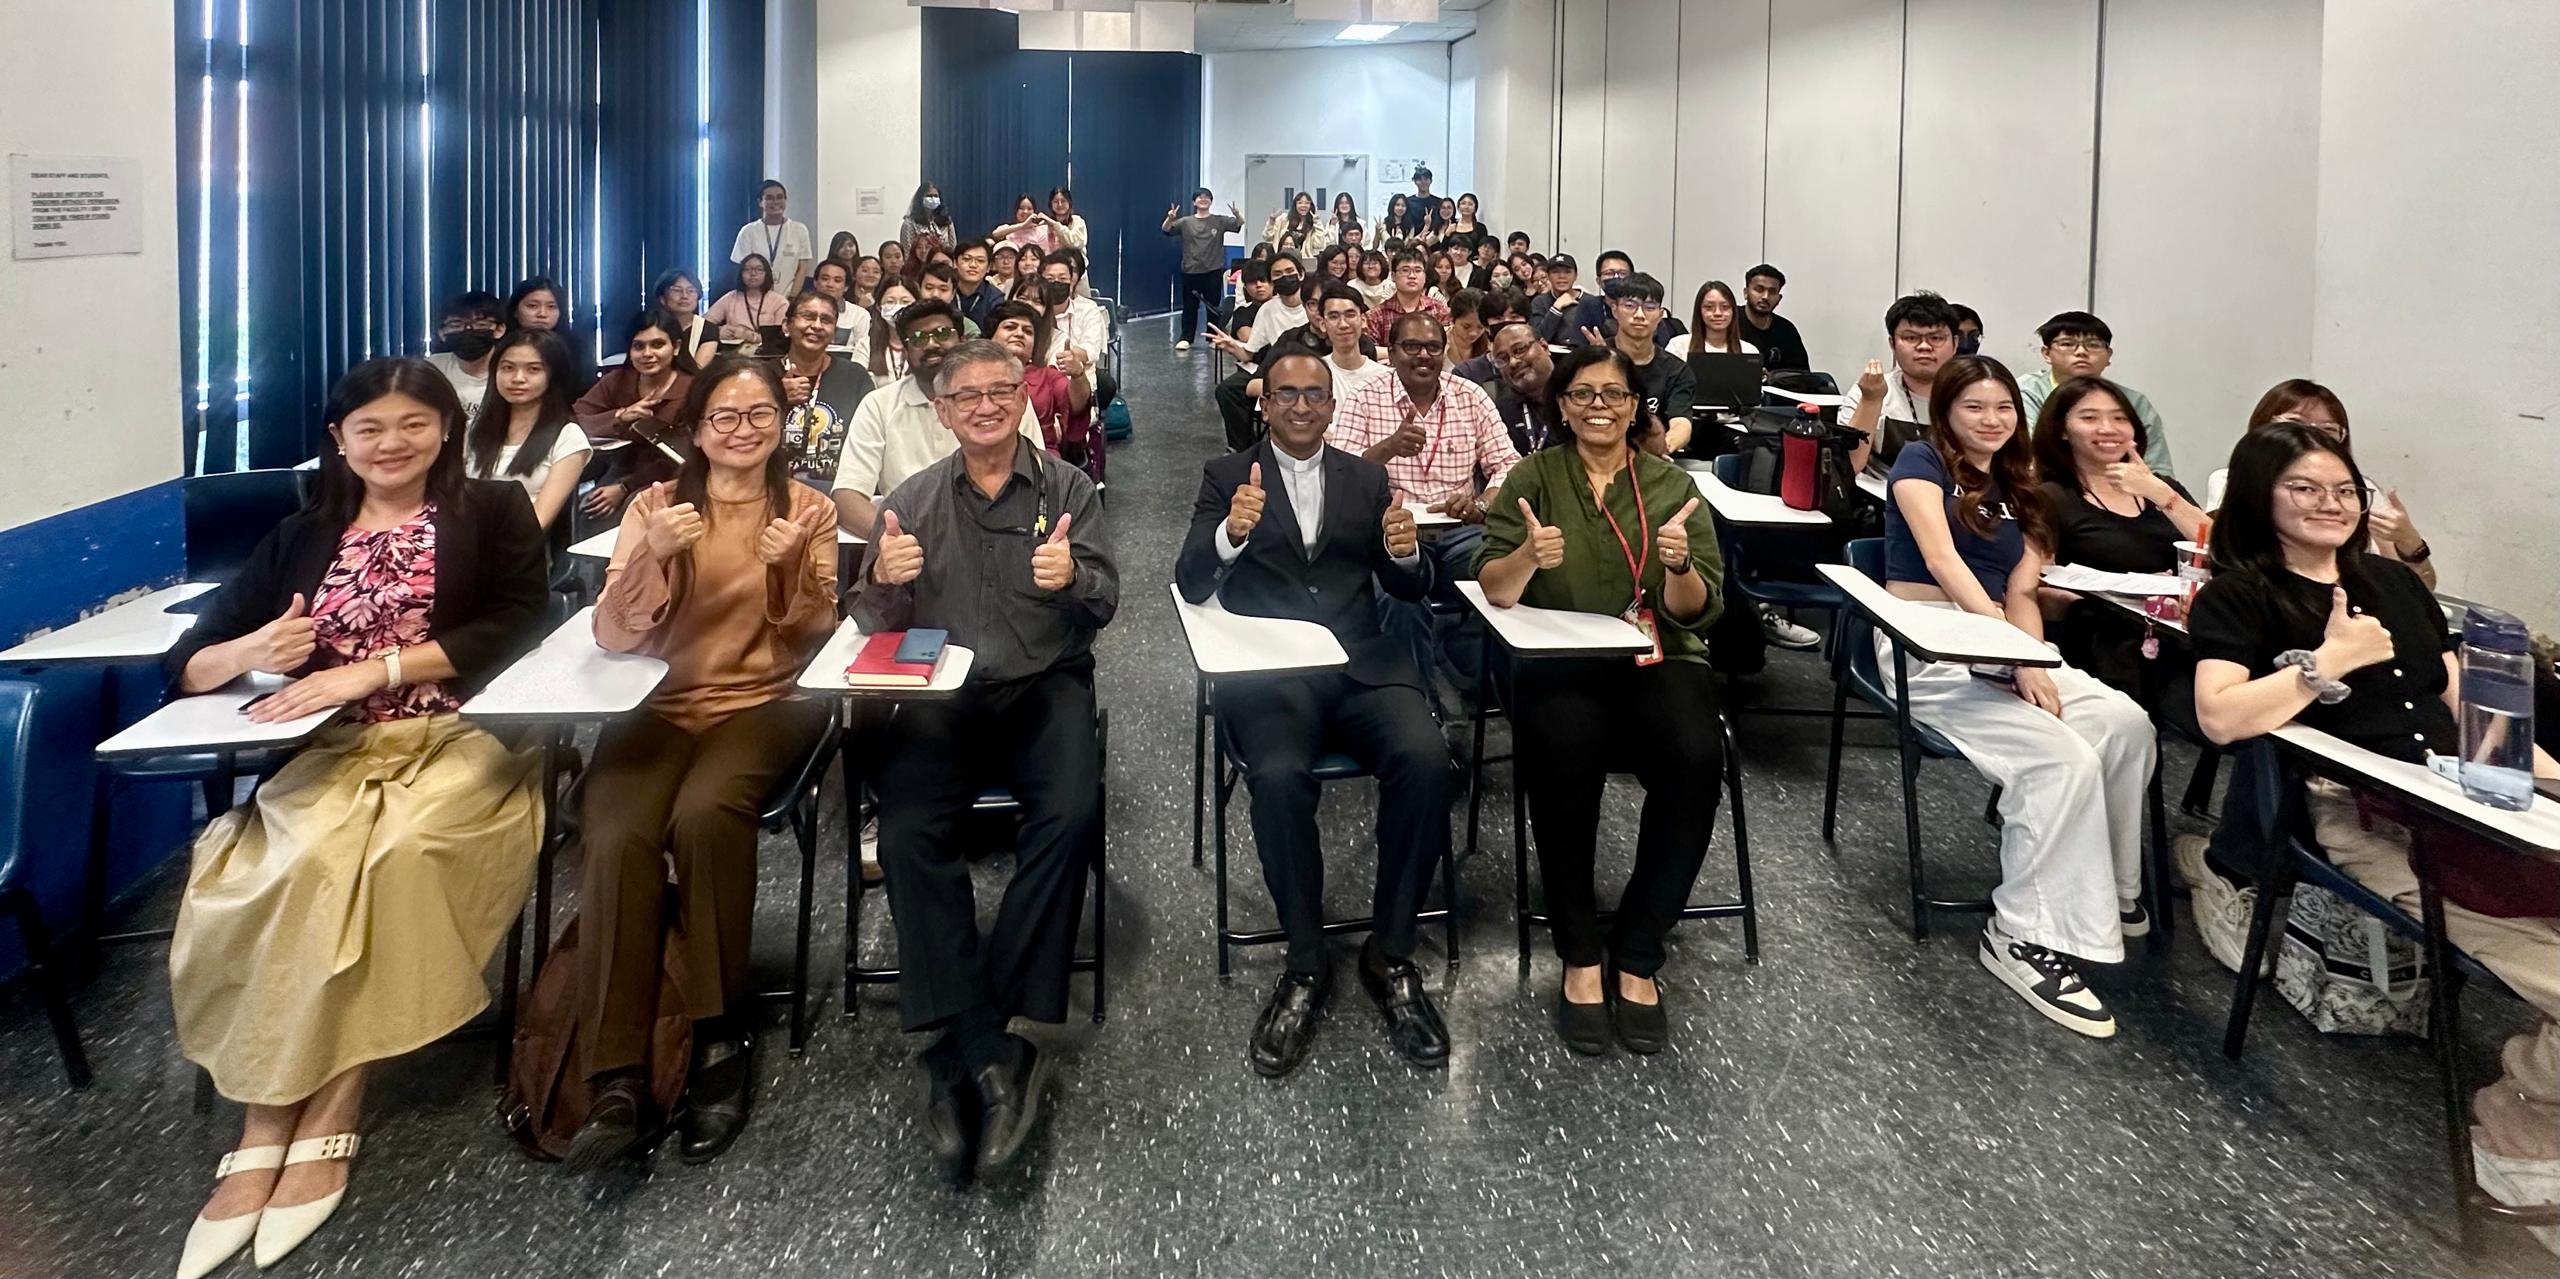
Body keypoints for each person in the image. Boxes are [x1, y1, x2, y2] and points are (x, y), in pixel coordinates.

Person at [164, 359, 546, 1277]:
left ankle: (333, 1104)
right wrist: (252, 649)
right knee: (292, 870)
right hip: (335, 755)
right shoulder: (301, 535)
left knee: (394, 859)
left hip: (459, 738)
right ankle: (265, 1115)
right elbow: (185, 663)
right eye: (369, 428)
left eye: (414, 424)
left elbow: (520, 624)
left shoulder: (491, 512)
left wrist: (374, 670)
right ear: (339, 440)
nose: (392, 443)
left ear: (446, 430)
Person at [2187, 421, 2560, 1227]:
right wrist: (2332, 660)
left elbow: (2476, 718)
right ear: (2261, 496)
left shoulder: (2398, 586)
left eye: (2345, 490)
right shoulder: (2240, 593)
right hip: (2368, 815)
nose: (2332, 504)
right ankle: (2519, 1125)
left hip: (2463, 796)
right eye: (2305, 489)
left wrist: (2552, 778)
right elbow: (2217, 718)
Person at [850, 339, 1117, 1183]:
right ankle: (987, 1043)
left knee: (1071, 810)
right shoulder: (914, 499)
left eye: (1001, 390)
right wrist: (888, 585)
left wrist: (1072, 576)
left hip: (1045, 685)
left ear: (1021, 399)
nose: (986, 406)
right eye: (966, 397)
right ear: (943, 412)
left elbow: (1106, 601)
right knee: (906, 830)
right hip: (943, 690)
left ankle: (976, 1027)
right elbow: (868, 616)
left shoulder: (1070, 489)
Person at [566, 357, 840, 1173]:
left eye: (761, 413)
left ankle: (720, 1025)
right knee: (614, 830)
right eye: (725, 415)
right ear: (696, 427)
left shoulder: (809, 508)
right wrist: (647, 554)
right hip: (659, 704)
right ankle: (614, 1070)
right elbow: (614, 636)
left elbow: (815, 634)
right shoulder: (655, 505)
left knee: (705, 812)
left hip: (765, 701)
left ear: (782, 425)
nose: (744, 429)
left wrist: (788, 563)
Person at [1175, 348, 1451, 1078]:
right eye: (1286, 394)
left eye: (1315, 395)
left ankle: (1390, 954)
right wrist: (1229, 535)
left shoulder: (1365, 476)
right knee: (1278, 775)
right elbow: (1190, 580)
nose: (1301, 406)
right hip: (1271, 671)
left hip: (1363, 661)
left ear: (1333, 405)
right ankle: (1304, 961)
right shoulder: (1226, 475)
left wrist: (1406, 556)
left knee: (1427, 760)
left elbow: (1410, 584)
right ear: (1263, 403)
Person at [1879, 354, 2154, 1038]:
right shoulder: (1921, 461)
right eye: (1975, 406)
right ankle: (2022, 933)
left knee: (2125, 723)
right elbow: (1943, 562)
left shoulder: (2023, 485)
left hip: (2001, 638)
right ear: (1946, 411)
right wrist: (2014, 654)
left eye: (2004, 407)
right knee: (2060, 758)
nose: (1992, 419)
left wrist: (2031, 659)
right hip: (1928, 641)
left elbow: (2022, 591)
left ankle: (2109, 893)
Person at [1474, 345, 1726, 1057]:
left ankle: (1641, 950)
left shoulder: (1671, 485)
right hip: (1559, 658)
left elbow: (1696, 609)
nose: (1598, 407)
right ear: (1561, 405)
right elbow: (1493, 587)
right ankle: (1581, 952)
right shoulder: (1534, 477)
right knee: (1564, 753)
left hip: (1659, 655)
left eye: (1614, 395)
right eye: (1582, 394)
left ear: (1634, 405)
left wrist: (1677, 566)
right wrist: (1529, 557)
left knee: (1695, 756)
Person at [2030, 377, 2206, 692]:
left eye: (2119, 418)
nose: (2108, 428)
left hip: (2180, 629)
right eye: (2089, 418)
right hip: (2103, 639)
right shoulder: (2050, 497)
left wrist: (2161, 494)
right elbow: (2037, 590)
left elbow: (2224, 548)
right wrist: (2107, 601)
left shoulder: (2162, 489)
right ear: (2062, 430)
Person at [829, 299, 1043, 538]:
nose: (931, 344)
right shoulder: (879, 405)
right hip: (908, 544)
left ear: (962, 340)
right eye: (918, 338)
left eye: (942, 333)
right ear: (906, 351)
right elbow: (848, 495)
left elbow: (1037, 479)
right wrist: (895, 542)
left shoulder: (1004, 399)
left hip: (997, 536)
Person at [2203, 380, 2440, 591]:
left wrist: (2410, 543)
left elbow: (2410, 590)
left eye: (2328, 430)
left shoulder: (2362, 491)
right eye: (2304, 489)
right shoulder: (2233, 483)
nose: (2331, 504)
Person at [2015, 312, 2174, 477]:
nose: (2081, 351)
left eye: (2094, 344)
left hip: (2123, 489)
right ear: (2046, 353)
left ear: (2109, 356)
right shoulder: (2026, 391)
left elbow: (2159, 469)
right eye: (2068, 343)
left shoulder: (2134, 401)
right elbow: (2032, 454)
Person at [573, 311, 698, 518]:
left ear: (675, 348)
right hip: (619, 467)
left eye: (657, 345)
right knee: (589, 505)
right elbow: (573, 420)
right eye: (638, 346)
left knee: (634, 508)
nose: (647, 354)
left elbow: (683, 457)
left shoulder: (693, 389)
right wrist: (619, 416)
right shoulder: (618, 380)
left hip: (674, 475)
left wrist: (624, 488)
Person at [465, 329, 593, 530]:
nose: (517, 378)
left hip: (519, 549)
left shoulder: (568, 437)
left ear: (553, 375)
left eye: (533, 369)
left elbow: (539, 522)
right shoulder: (472, 429)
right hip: (463, 540)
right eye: (507, 368)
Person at [1843, 291, 1961, 475]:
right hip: (1884, 499)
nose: (1924, 347)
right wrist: (1871, 401)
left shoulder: (1974, 396)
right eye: (1911, 338)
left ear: (1955, 344)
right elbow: (1848, 467)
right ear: (1892, 344)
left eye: (1936, 338)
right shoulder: (1870, 392)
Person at [987, 300, 1099, 483]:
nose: (1019, 334)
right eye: (1010, 327)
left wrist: (1078, 374)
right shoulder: (974, 376)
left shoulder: (1047, 376)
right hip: (984, 456)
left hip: (1042, 460)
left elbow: (1077, 405)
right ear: (991, 337)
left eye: (1027, 331)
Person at [775, 290, 876, 487]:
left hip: (839, 490)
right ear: (787, 325)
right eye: (808, 317)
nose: (817, 326)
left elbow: (870, 440)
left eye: (827, 320)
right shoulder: (763, 377)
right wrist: (777, 398)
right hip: (774, 488)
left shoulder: (854, 377)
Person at [1605, 274, 1696, 455]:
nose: (1639, 315)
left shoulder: (1677, 370)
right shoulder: (1595, 358)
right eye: (1630, 306)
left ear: (1661, 315)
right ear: (1615, 310)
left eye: (1650, 307)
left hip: (1655, 458)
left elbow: (1681, 423)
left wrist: (1662, 449)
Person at [1163, 187, 1243, 352]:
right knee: (1189, 306)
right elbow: (1166, 229)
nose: (1203, 199)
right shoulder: (1186, 222)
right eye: (1200, 197)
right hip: (1190, 270)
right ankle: (1186, 338)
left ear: (1211, 201)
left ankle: (1213, 338)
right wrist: (1170, 219)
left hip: (1213, 269)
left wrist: (1237, 214)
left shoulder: (1219, 221)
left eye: (1207, 197)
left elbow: (1238, 224)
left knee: (1213, 307)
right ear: (1194, 202)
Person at [1482, 318, 1563, 457]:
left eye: (1519, 350)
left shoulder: (1575, 393)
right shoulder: (1499, 410)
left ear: (1544, 346)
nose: (1513, 362)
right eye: (1503, 359)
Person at [427, 291, 507, 428]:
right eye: (456, 324)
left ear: (499, 330)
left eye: (480, 324)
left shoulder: (513, 371)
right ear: (442, 333)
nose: (468, 330)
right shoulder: (432, 369)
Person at [730, 180, 814, 296]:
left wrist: (792, 297)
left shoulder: (799, 230)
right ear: (760, 202)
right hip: (756, 297)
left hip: (789, 298)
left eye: (780, 197)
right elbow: (743, 268)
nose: (775, 202)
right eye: (769, 198)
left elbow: (802, 267)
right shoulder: (748, 231)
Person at [1310, 283, 1388, 406]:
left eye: (1350, 315)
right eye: (1334, 317)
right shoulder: (1313, 374)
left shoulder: (1385, 377)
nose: (1343, 324)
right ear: (1323, 324)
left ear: (1363, 320)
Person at [1362, 251, 1450, 347]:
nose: (1412, 276)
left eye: (1418, 270)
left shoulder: (1439, 310)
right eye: (1405, 270)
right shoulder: (1376, 316)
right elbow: (1371, 352)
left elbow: (1448, 347)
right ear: (1393, 276)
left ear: (1425, 276)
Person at [1737, 264, 1810, 372]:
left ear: (1779, 298)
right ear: (1746, 293)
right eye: (1759, 289)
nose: (1765, 296)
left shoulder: (1786, 330)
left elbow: (1801, 375)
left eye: (1772, 292)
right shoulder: (1730, 321)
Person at [707, 253, 790, 349]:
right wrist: (718, 331)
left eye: (759, 269)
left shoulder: (779, 302)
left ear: (767, 274)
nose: (753, 274)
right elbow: (703, 324)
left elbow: (781, 338)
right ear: (741, 273)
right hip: (733, 356)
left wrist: (749, 336)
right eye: (747, 269)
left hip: (768, 356)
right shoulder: (730, 297)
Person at [1665, 280, 1759, 360]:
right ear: (1699, 311)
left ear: (1733, 311)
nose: (1717, 313)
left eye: (1725, 307)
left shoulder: (1749, 351)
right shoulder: (1678, 346)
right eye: (1709, 307)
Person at [1451, 289, 1528, 384]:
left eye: (1515, 317)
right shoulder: (1465, 372)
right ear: (1487, 325)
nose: (1507, 324)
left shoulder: (1539, 361)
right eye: (1498, 318)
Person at [644, 268, 718, 363]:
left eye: (691, 291)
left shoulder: (707, 329)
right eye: (677, 290)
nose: (685, 296)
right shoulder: (649, 326)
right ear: (662, 298)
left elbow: (698, 370)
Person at [866, 278, 918, 380]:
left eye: (905, 301)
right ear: (879, 307)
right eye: (890, 301)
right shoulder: (866, 345)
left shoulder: (926, 343)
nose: (898, 307)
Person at [951, 240, 1007, 334]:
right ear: (955, 263)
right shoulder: (944, 291)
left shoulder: (995, 299)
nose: (973, 265)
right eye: (966, 259)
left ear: (989, 267)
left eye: (980, 261)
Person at [900, 181, 957, 265]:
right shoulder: (910, 223)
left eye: (936, 196)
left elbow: (952, 246)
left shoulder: (946, 221)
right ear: (920, 198)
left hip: (942, 265)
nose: (933, 199)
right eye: (929, 196)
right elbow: (907, 250)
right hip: (918, 267)